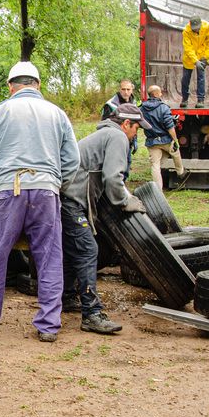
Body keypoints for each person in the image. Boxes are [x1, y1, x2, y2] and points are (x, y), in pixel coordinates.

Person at [0, 60, 80, 343]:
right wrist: (57, 184)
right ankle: (48, 325)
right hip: (46, 192)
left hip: (7, 190)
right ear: (38, 85)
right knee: (50, 258)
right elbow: (73, 159)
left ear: (10, 86)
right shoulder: (57, 114)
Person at [61, 103, 151, 334]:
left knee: (74, 248)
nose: (135, 134)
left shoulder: (104, 134)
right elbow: (113, 178)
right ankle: (91, 314)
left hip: (63, 199)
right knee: (88, 249)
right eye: (136, 129)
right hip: (70, 201)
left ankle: (68, 297)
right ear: (126, 124)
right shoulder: (117, 136)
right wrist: (126, 201)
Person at [140, 84, 189, 189]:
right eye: (160, 92)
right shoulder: (163, 108)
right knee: (175, 152)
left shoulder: (142, 109)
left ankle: (158, 190)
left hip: (152, 141)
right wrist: (175, 140)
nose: (161, 94)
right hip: (165, 140)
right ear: (157, 94)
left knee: (155, 165)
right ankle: (180, 172)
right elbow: (170, 127)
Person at [100, 79, 139, 180]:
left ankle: (122, 187)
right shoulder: (111, 105)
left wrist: (134, 140)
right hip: (115, 141)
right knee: (116, 168)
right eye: (123, 89)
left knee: (127, 165)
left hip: (128, 141)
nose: (126, 92)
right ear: (119, 90)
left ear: (132, 90)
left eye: (128, 89)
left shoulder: (134, 102)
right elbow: (104, 124)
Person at [181, 16, 209, 108]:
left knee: (201, 78)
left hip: (202, 56)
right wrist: (195, 61)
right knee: (185, 79)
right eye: (194, 29)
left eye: (198, 28)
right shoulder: (186, 31)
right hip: (189, 58)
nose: (196, 30)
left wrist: (205, 57)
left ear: (201, 25)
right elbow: (188, 48)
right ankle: (184, 99)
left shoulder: (207, 26)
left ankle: (200, 100)